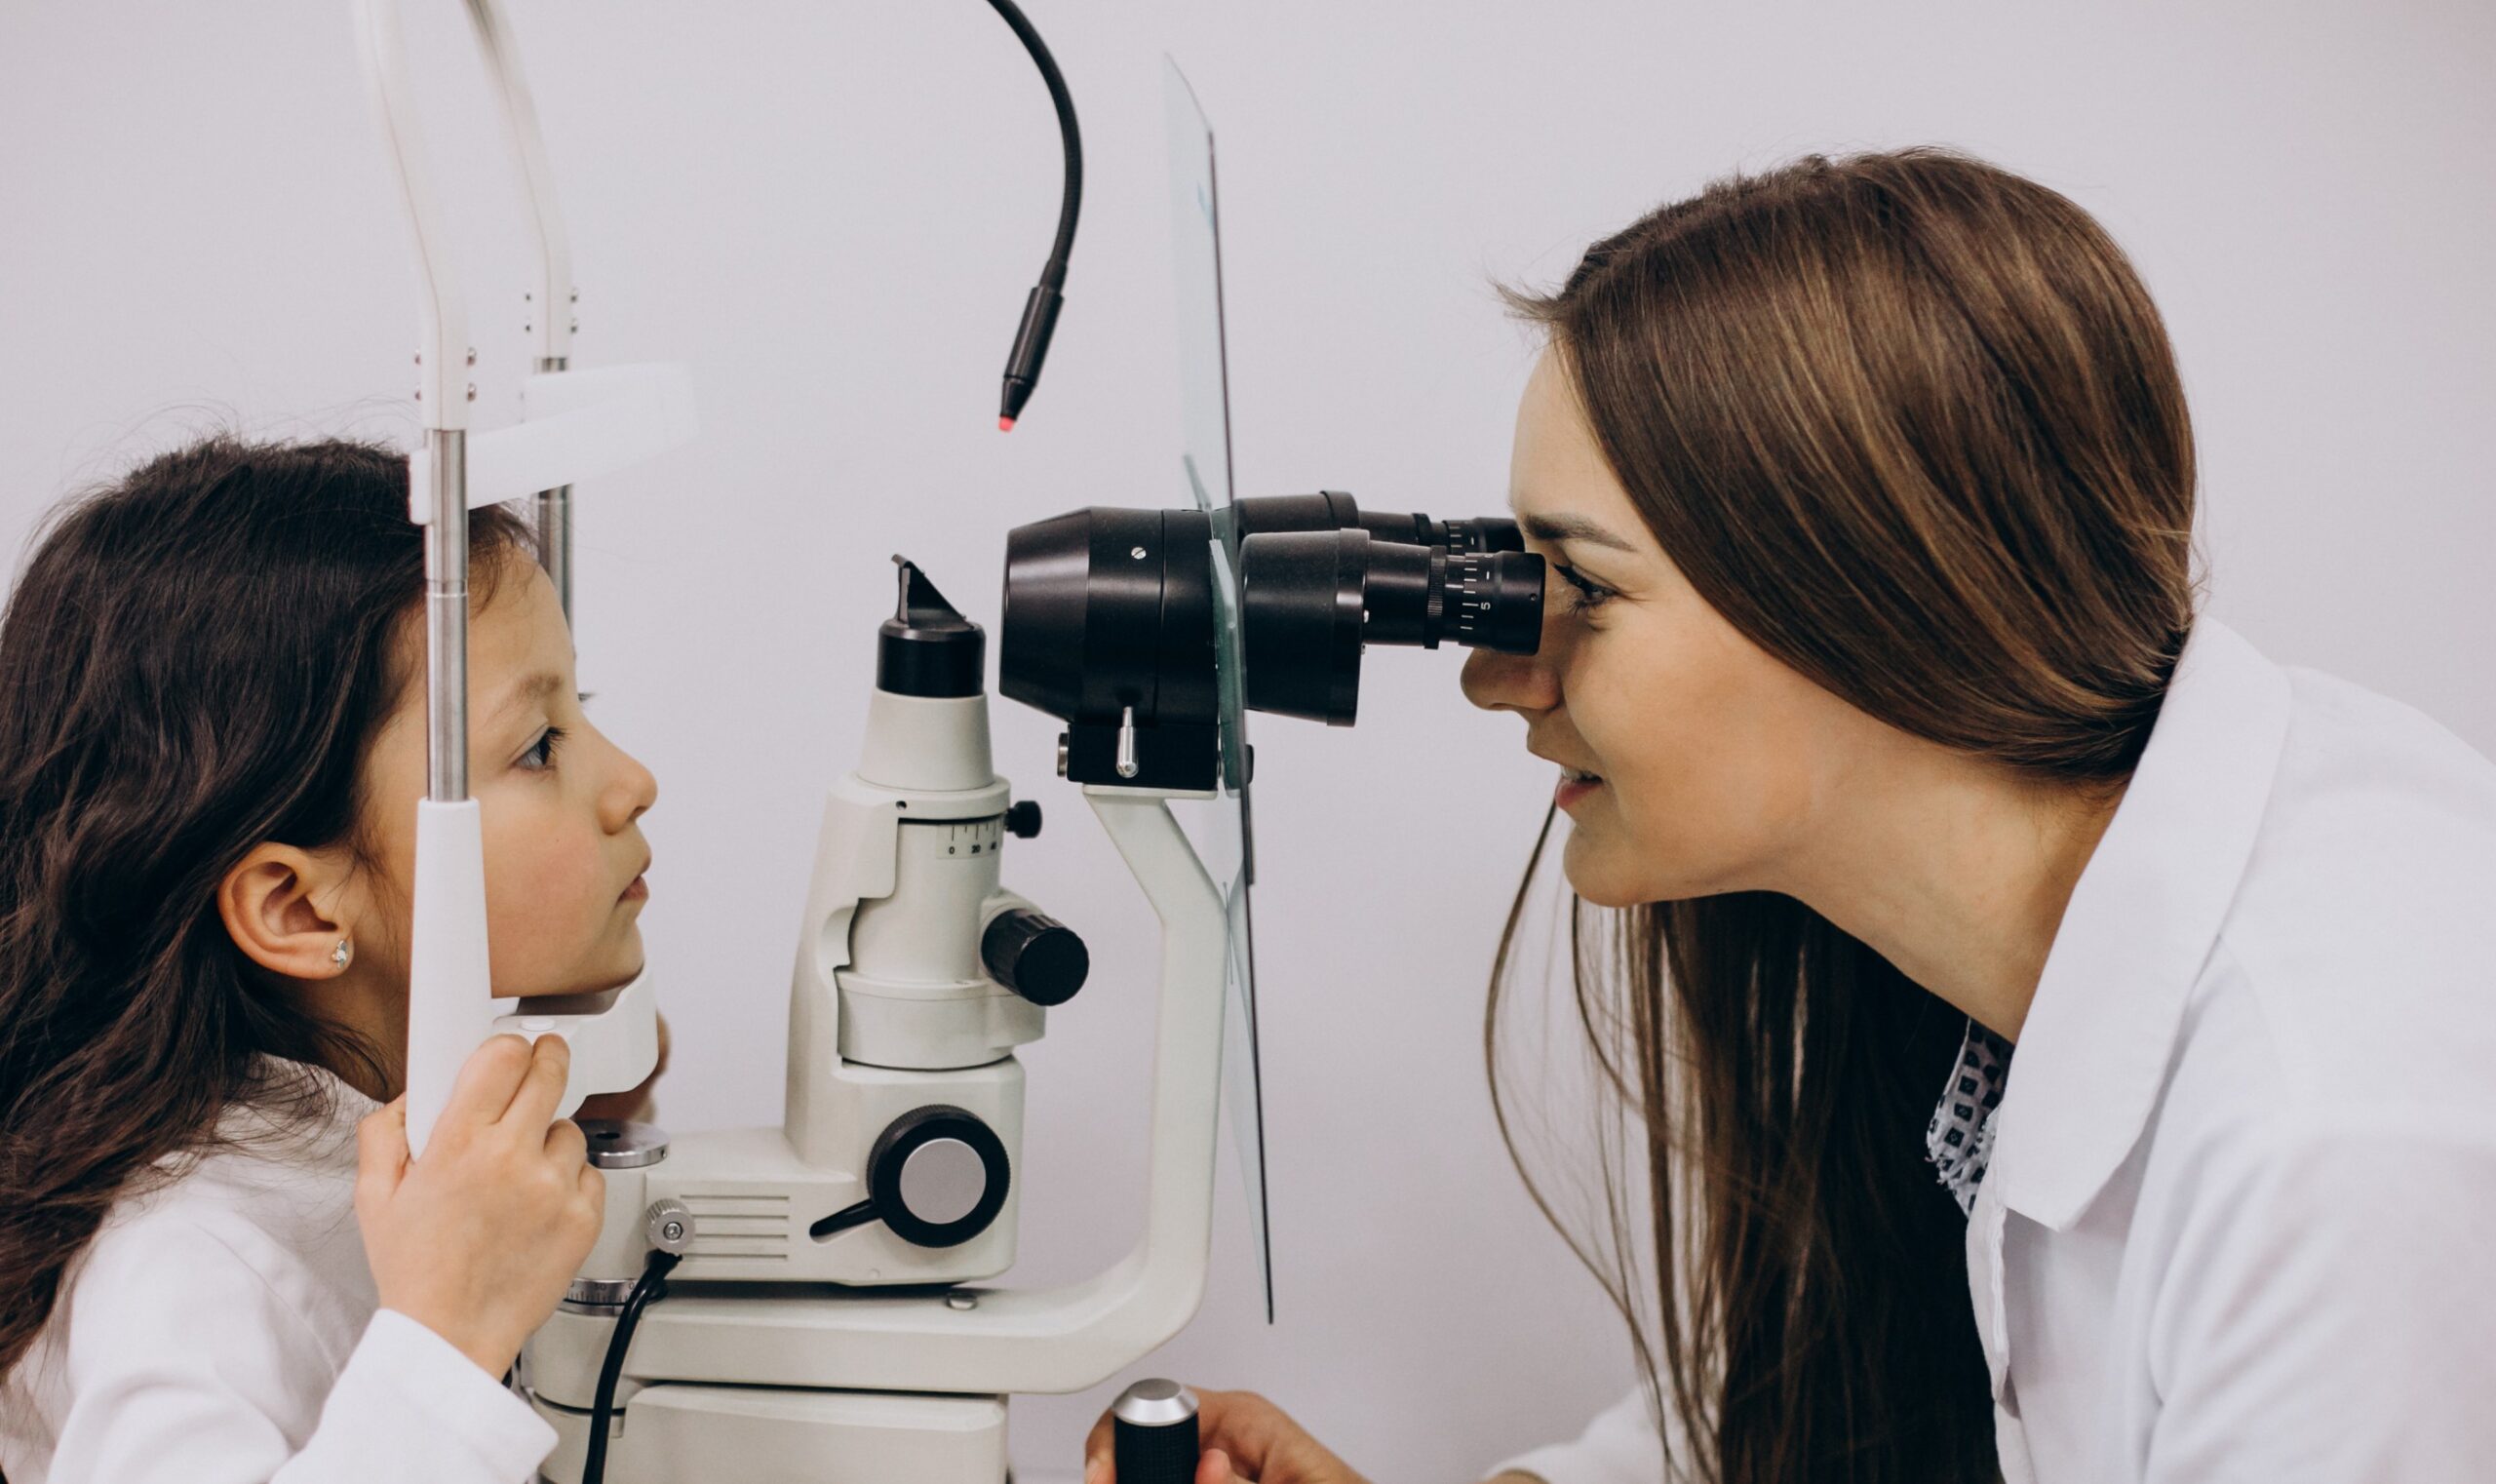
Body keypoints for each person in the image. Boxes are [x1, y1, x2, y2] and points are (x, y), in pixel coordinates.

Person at [1085, 147, 2496, 1484]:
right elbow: (1840, 1409)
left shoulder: (2332, 1153)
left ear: (1884, 603)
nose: (1499, 676)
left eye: (1585, 587)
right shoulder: (1979, 962)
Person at [0, 437, 667, 1483]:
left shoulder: (357, 1123)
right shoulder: (188, 1263)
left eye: (584, 713)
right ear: (298, 908)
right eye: (539, 746)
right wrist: (446, 1336)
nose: (633, 782)